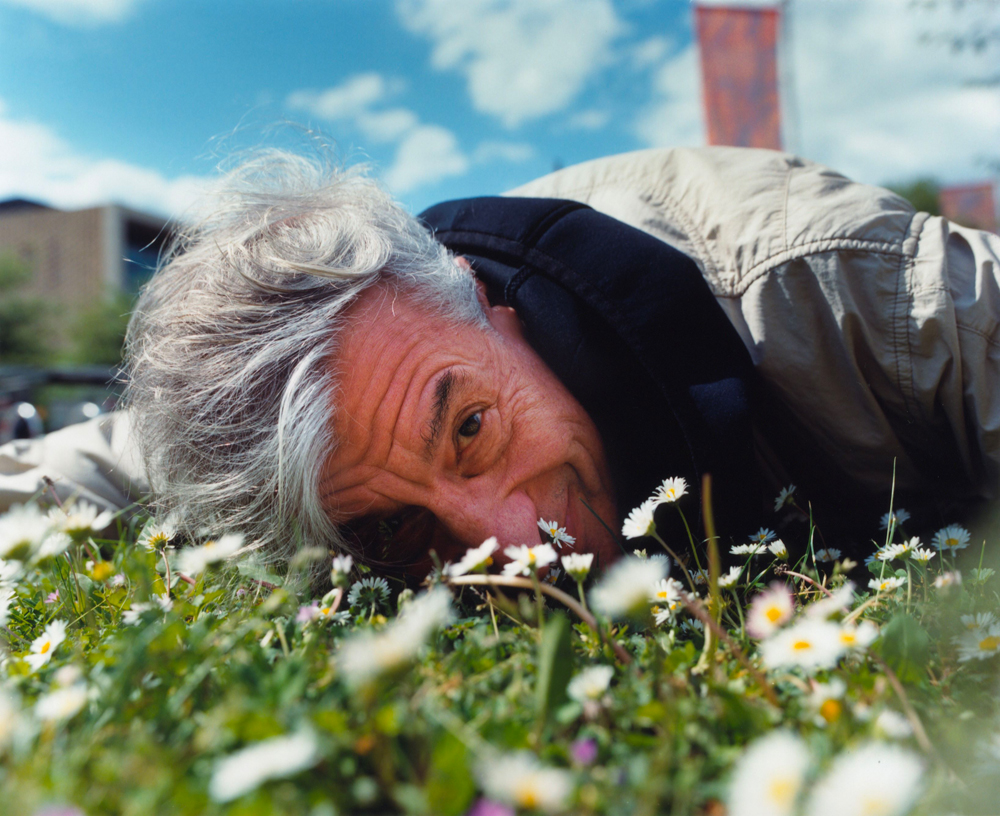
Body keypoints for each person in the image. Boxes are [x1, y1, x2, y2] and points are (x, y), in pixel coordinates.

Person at [1, 147, 997, 577]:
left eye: (470, 427)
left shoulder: (837, 289)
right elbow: (100, 464)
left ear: (489, 304)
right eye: (395, 530)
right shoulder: (326, 400)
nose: (513, 544)